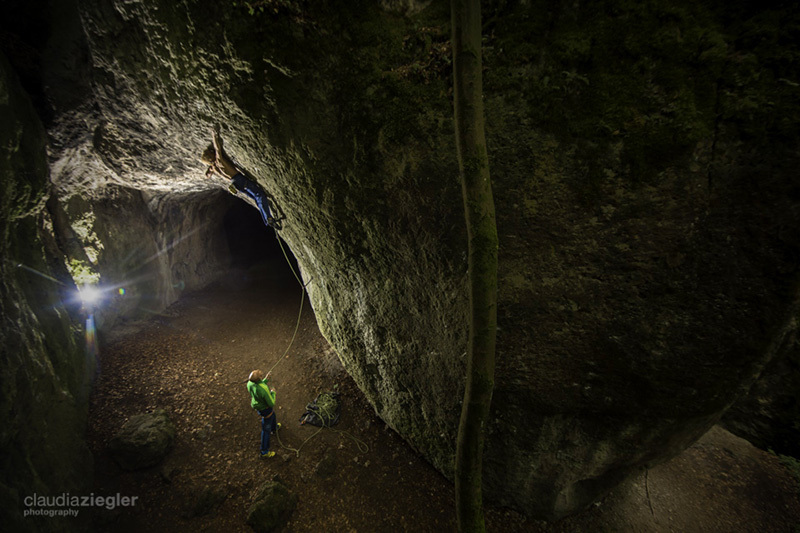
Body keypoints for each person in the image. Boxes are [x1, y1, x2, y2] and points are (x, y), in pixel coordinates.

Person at [201, 129, 276, 228]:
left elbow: (207, 176)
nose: (212, 151)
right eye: (210, 153)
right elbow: (218, 148)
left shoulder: (214, 167)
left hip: (235, 183)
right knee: (260, 195)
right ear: (211, 157)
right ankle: (269, 218)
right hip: (240, 179)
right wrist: (214, 136)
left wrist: (209, 171)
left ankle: (267, 221)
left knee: (256, 199)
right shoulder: (219, 161)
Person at [247, 369, 281, 458]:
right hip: (265, 408)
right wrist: (273, 393)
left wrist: (266, 380)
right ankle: (264, 451)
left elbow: (259, 387)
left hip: (258, 405)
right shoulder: (263, 389)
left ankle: (274, 428)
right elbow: (271, 403)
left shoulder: (250, 383)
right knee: (266, 428)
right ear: (258, 379)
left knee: (273, 415)